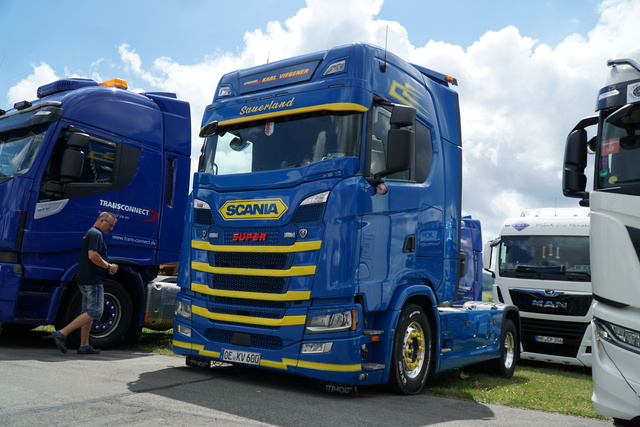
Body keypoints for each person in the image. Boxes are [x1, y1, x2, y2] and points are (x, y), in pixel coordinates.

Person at [52, 212, 119, 354]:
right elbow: (93, 255)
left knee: (88, 311)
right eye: (110, 225)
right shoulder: (96, 234)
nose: (111, 229)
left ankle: (84, 345)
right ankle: (62, 334)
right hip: (92, 279)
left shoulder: (91, 233)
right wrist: (109, 267)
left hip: (85, 277)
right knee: (95, 311)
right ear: (102, 221)